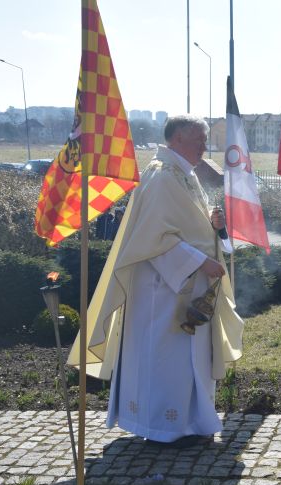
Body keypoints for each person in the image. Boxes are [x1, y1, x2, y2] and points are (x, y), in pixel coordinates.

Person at [69, 115, 243, 447]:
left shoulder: (182, 174)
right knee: (170, 359)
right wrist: (200, 261)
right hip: (163, 292)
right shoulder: (162, 177)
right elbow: (154, 239)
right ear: (177, 138)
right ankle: (166, 427)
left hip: (190, 286)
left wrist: (212, 223)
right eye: (199, 140)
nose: (205, 147)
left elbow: (183, 225)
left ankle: (192, 422)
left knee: (191, 360)